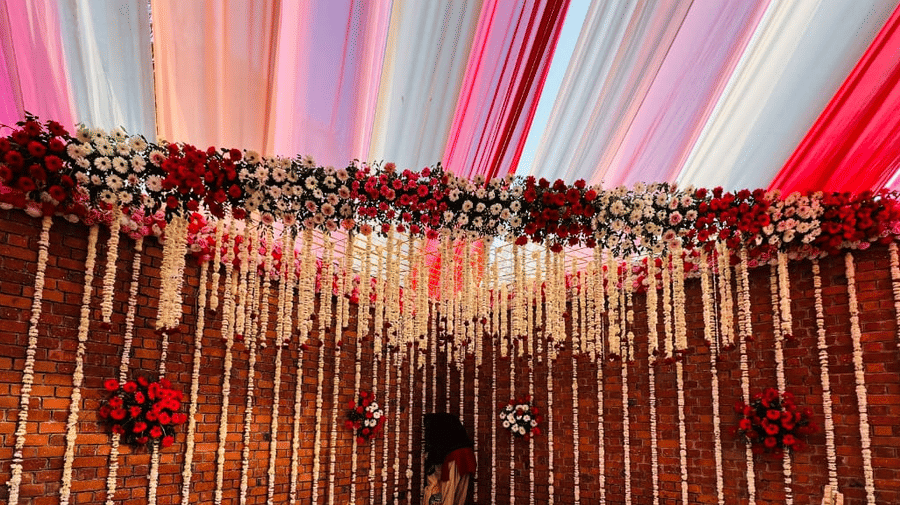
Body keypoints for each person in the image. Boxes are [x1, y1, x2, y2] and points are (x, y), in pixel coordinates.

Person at [422, 413, 477, 505]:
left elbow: (436, 451)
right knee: (460, 495)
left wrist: (430, 461)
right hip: (468, 456)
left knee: (448, 494)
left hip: (454, 457)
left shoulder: (434, 425)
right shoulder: (450, 423)